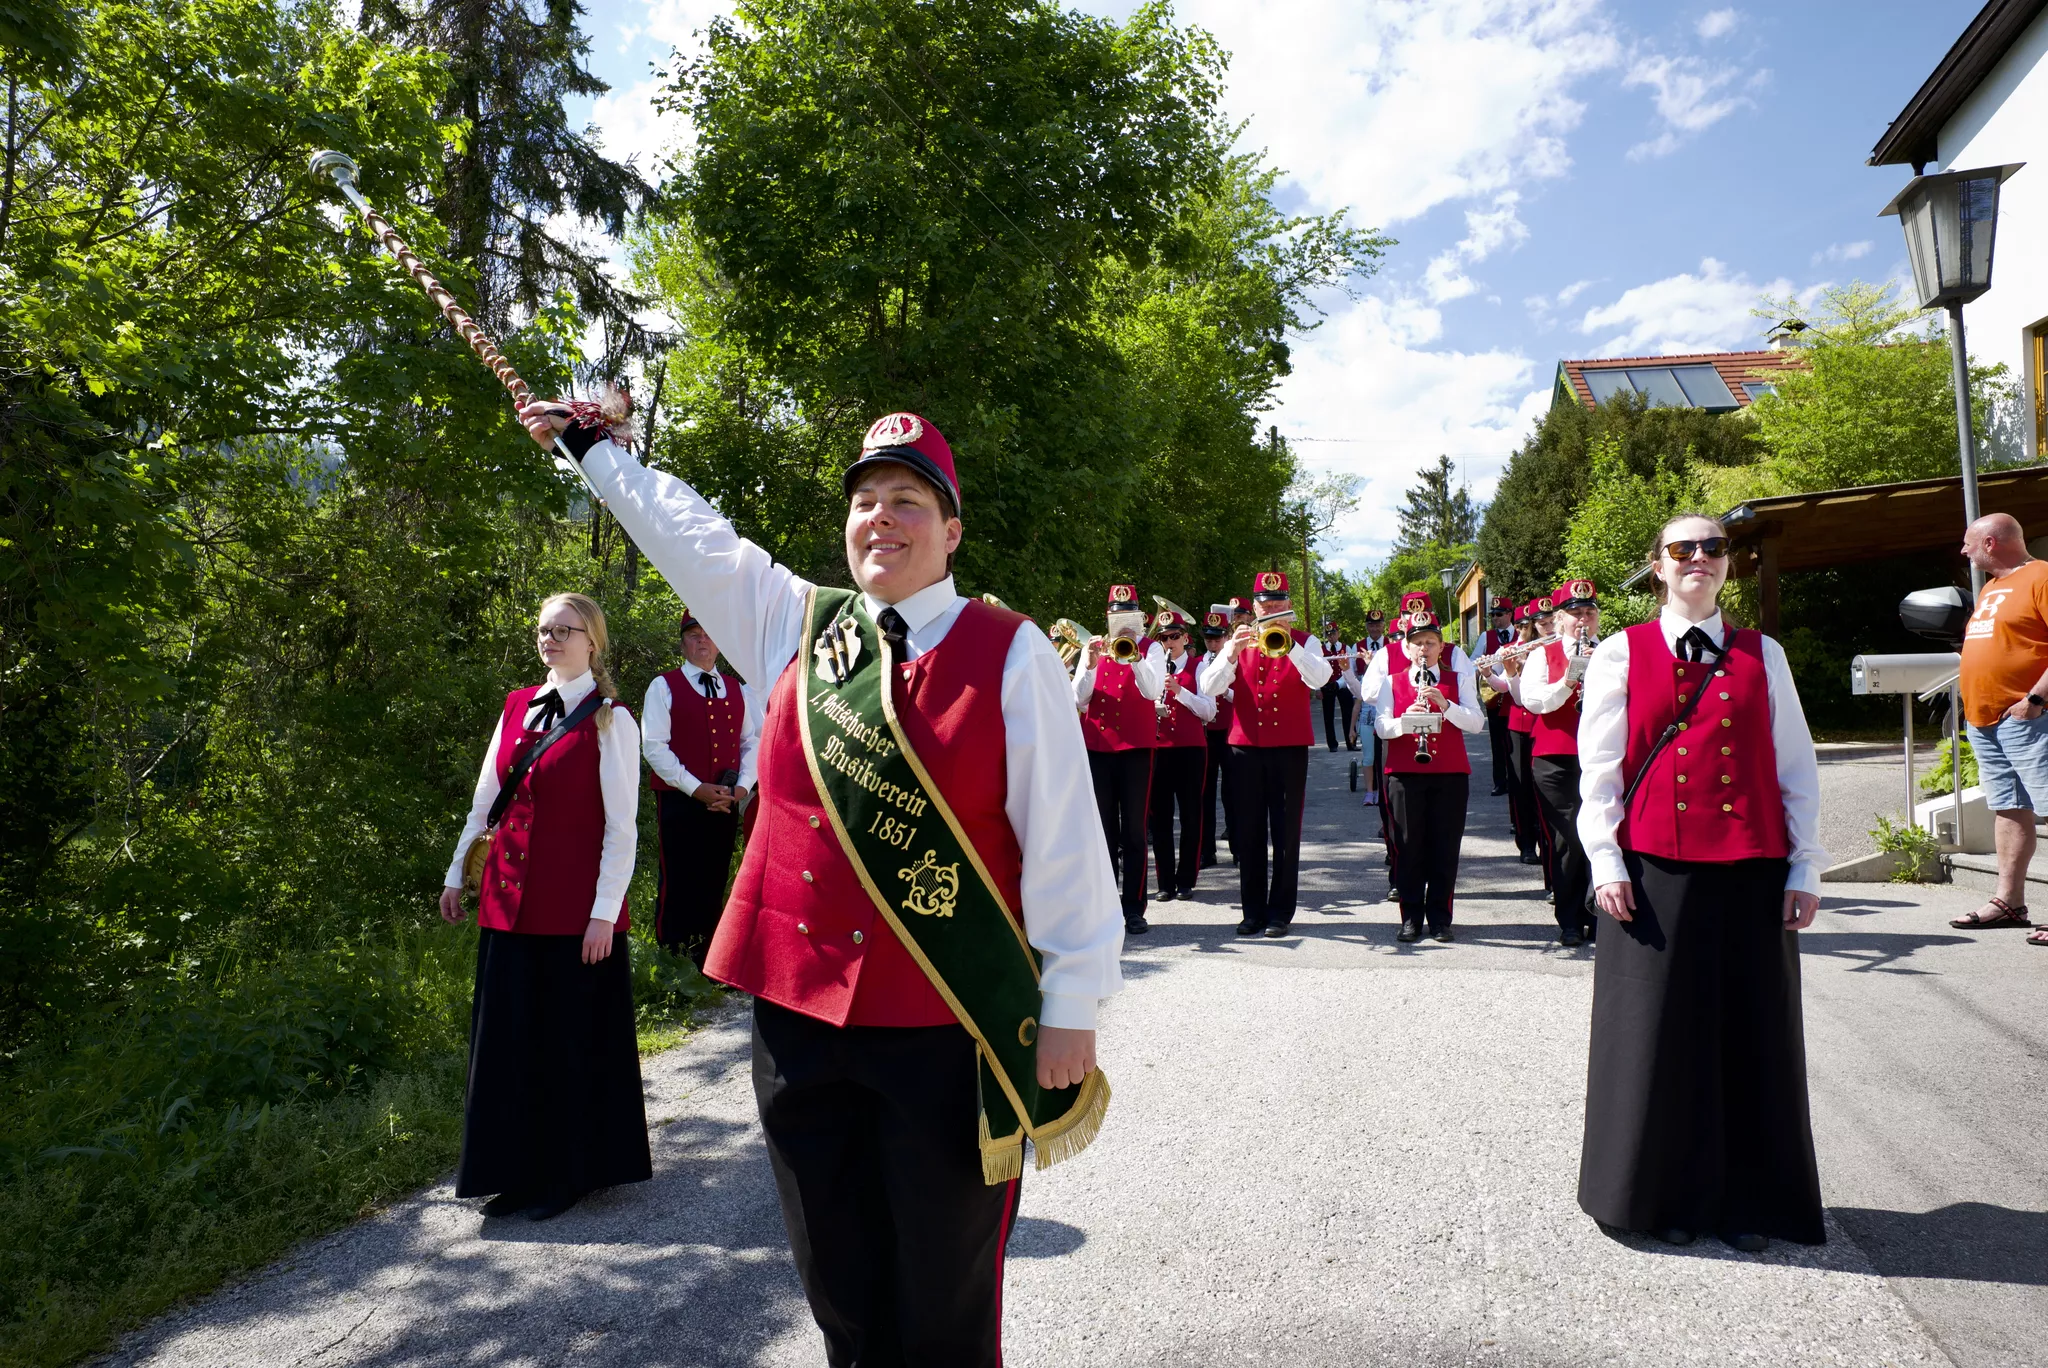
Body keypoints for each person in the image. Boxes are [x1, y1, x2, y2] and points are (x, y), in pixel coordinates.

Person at [525, 401, 1122, 1365]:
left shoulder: (1009, 651)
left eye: (908, 500)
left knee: (942, 1300)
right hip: (797, 1023)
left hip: (945, 1024)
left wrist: (1073, 1001)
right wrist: (593, 450)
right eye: (866, 500)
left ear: (952, 530)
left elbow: (1063, 837)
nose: (881, 517)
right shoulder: (794, 623)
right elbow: (690, 537)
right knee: (838, 1288)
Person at [1576, 513, 1828, 1252]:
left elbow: (1796, 765)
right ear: (1657, 565)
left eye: (1712, 547)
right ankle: (1662, 1197)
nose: (1699, 558)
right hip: (1655, 868)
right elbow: (1600, 771)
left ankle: (1746, 1201)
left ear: (1728, 563)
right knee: (1659, 1037)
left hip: (1752, 867)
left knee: (1751, 1032)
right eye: (1682, 548)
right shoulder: (1620, 652)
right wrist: (1605, 860)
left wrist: (1806, 863)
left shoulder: (1763, 653)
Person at [439, 591, 652, 1222]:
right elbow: (486, 802)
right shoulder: (516, 706)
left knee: (565, 1045)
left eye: (565, 630)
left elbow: (623, 829)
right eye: (544, 630)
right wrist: (456, 874)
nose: (551, 639)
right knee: (510, 1045)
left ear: (593, 641)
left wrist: (604, 913)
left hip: (573, 914)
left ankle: (568, 1174)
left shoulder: (612, 719)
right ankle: (514, 1172)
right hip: (507, 904)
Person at [1200, 571, 1331, 937]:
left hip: (1289, 748)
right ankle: (1252, 911)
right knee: (1249, 830)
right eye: (1265, 605)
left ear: (1288, 605)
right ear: (1254, 607)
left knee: (1286, 832)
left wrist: (1293, 647)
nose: (1271, 610)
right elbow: (1208, 687)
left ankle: (1280, 912)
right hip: (1246, 748)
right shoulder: (1238, 641)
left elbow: (1320, 679)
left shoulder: (1306, 640)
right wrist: (1230, 652)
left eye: (1278, 604)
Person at [642, 610, 763, 966]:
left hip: (725, 801)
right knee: (679, 879)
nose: (702, 640)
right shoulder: (663, 686)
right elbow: (654, 746)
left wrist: (742, 788)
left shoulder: (738, 690)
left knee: (714, 877)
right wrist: (695, 788)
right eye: (693, 634)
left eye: (708, 634)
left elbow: (752, 742)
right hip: (679, 799)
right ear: (683, 643)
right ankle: (672, 961)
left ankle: (709, 960)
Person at [1952, 511, 2048, 943]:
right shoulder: (1992, 587)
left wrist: (2036, 699)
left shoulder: (2041, 577)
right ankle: (2009, 903)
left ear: (1990, 543)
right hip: (1986, 721)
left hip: (2032, 717)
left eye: (1968, 543)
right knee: (2009, 808)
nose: (1964, 551)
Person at [1373, 611, 1482, 942]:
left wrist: (1446, 705)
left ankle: (1440, 919)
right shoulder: (1392, 681)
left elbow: (1476, 723)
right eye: (1417, 643)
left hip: (1450, 774)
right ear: (1407, 648)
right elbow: (1381, 726)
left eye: (1430, 642)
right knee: (1407, 847)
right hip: (1404, 775)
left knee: (1445, 848)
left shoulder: (1457, 679)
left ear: (1441, 646)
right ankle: (1410, 917)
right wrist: (1405, 721)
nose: (1424, 649)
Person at [1077, 583, 1166, 934]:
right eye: (1117, 615)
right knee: (1103, 831)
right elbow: (1078, 698)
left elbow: (1152, 690)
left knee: (1133, 831)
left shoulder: (1151, 648)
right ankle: (1105, 906)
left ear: (1139, 618)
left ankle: (1134, 907)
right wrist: (1088, 665)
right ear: (1108, 617)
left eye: (1129, 615)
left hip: (1136, 750)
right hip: (1098, 748)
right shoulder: (1096, 647)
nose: (1123, 621)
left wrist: (1136, 657)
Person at [1521, 579, 1601, 947]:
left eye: (1588, 612)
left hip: (1601, 755)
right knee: (1567, 838)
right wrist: (1568, 682)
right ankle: (1570, 919)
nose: (1582, 619)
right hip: (1555, 757)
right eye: (1575, 613)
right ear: (1559, 619)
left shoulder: (1612, 651)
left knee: (1602, 834)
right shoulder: (1543, 653)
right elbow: (1533, 701)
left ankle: (1599, 916)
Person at [1149, 606, 1217, 901]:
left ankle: (1186, 879)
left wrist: (1180, 692)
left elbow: (1209, 711)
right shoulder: (1154, 667)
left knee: (1191, 815)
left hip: (1191, 749)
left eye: (1174, 636)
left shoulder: (1200, 668)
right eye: (1164, 638)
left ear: (1186, 638)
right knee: (1160, 818)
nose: (1169, 642)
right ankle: (1165, 882)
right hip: (1160, 748)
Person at [1198, 607, 1238, 869]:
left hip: (1229, 732)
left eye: (1217, 639)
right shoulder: (1199, 663)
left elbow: (1245, 696)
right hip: (1205, 734)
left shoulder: (1235, 660)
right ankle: (1206, 852)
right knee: (1205, 794)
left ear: (1226, 637)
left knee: (1233, 793)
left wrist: (1225, 692)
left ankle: (1238, 848)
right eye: (1209, 639)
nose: (1213, 644)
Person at [1478, 596, 1517, 796]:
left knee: (1515, 742)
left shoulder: (1521, 634)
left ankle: (1516, 779)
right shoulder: (1486, 637)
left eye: (1499, 614)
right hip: (1494, 696)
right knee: (1497, 741)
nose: (1495, 618)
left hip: (1515, 696)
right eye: (1492, 615)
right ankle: (1500, 781)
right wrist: (1485, 668)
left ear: (1510, 614)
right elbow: (1473, 660)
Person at [1318, 617, 1356, 751]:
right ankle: (1332, 744)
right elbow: (1318, 669)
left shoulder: (1346, 648)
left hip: (1343, 684)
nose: (1331, 637)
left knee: (1348, 714)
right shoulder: (1321, 649)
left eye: (1333, 633)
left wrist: (1339, 683)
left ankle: (1351, 742)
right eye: (1329, 634)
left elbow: (1350, 669)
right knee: (1328, 716)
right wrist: (1318, 688)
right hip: (1327, 684)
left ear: (1338, 634)